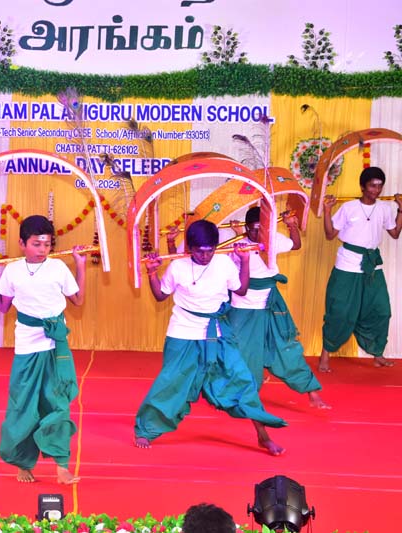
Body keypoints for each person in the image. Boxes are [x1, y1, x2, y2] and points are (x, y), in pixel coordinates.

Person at [135, 220, 287, 455]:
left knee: (242, 381)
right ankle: (146, 428)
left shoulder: (224, 263)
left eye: (210, 250)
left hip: (217, 334)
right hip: (182, 332)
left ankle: (263, 436)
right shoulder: (178, 266)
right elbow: (160, 296)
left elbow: (241, 290)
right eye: (199, 251)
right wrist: (152, 272)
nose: (205, 256)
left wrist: (245, 261)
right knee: (170, 383)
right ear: (189, 247)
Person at [0, 215, 86, 484]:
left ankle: (62, 466)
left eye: (47, 244)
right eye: (36, 244)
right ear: (22, 244)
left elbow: (78, 300)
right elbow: (3, 306)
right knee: (23, 405)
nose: (43, 249)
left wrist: (80, 265)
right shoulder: (13, 271)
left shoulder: (58, 268)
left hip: (56, 346)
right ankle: (23, 463)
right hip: (26, 346)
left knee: (58, 403)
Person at [227, 207, 329, 409]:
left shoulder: (272, 239)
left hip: (271, 303)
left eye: (262, 229)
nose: (258, 234)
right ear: (246, 227)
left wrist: (292, 226)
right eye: (253, 229)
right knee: (242, 351)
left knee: (285, 348)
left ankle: (312, 392)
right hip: (243, 307)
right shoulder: (234, 247)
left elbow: (296, 245)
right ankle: (245, 394)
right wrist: (238, 238)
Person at [319, 167, 402, 372]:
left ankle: (377, 354)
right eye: (372, 185)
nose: (377, 190)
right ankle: (325, 355)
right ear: (363, 186)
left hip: (372, 266)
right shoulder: (349, 207)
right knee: (339, 312)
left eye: (380, 186)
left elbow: (395, 233)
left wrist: (401, 210)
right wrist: (327, 211)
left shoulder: (385, 208)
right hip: (347, 266)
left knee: (381, 311)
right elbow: (330, 234)